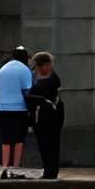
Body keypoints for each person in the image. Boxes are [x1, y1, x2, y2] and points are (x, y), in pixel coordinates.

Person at [0, 46, 35, 180]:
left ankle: (5, 167)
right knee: (19, 139)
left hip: (2, 109)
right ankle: (16, 168)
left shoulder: (3, 69)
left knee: (6, 140)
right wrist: (32, 110)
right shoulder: (25, 70)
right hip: (19, 109)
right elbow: (27, 92)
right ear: (25, 57)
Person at [28, 50, 66, 181]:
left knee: (49, 145)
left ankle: (50, 171)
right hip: (46, 117)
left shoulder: (50, 81)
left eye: (37, 67)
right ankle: (49, 170)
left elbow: (34, 96)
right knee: (47, 145)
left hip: (48, 117)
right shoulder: (47, 79)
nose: (36, 70)